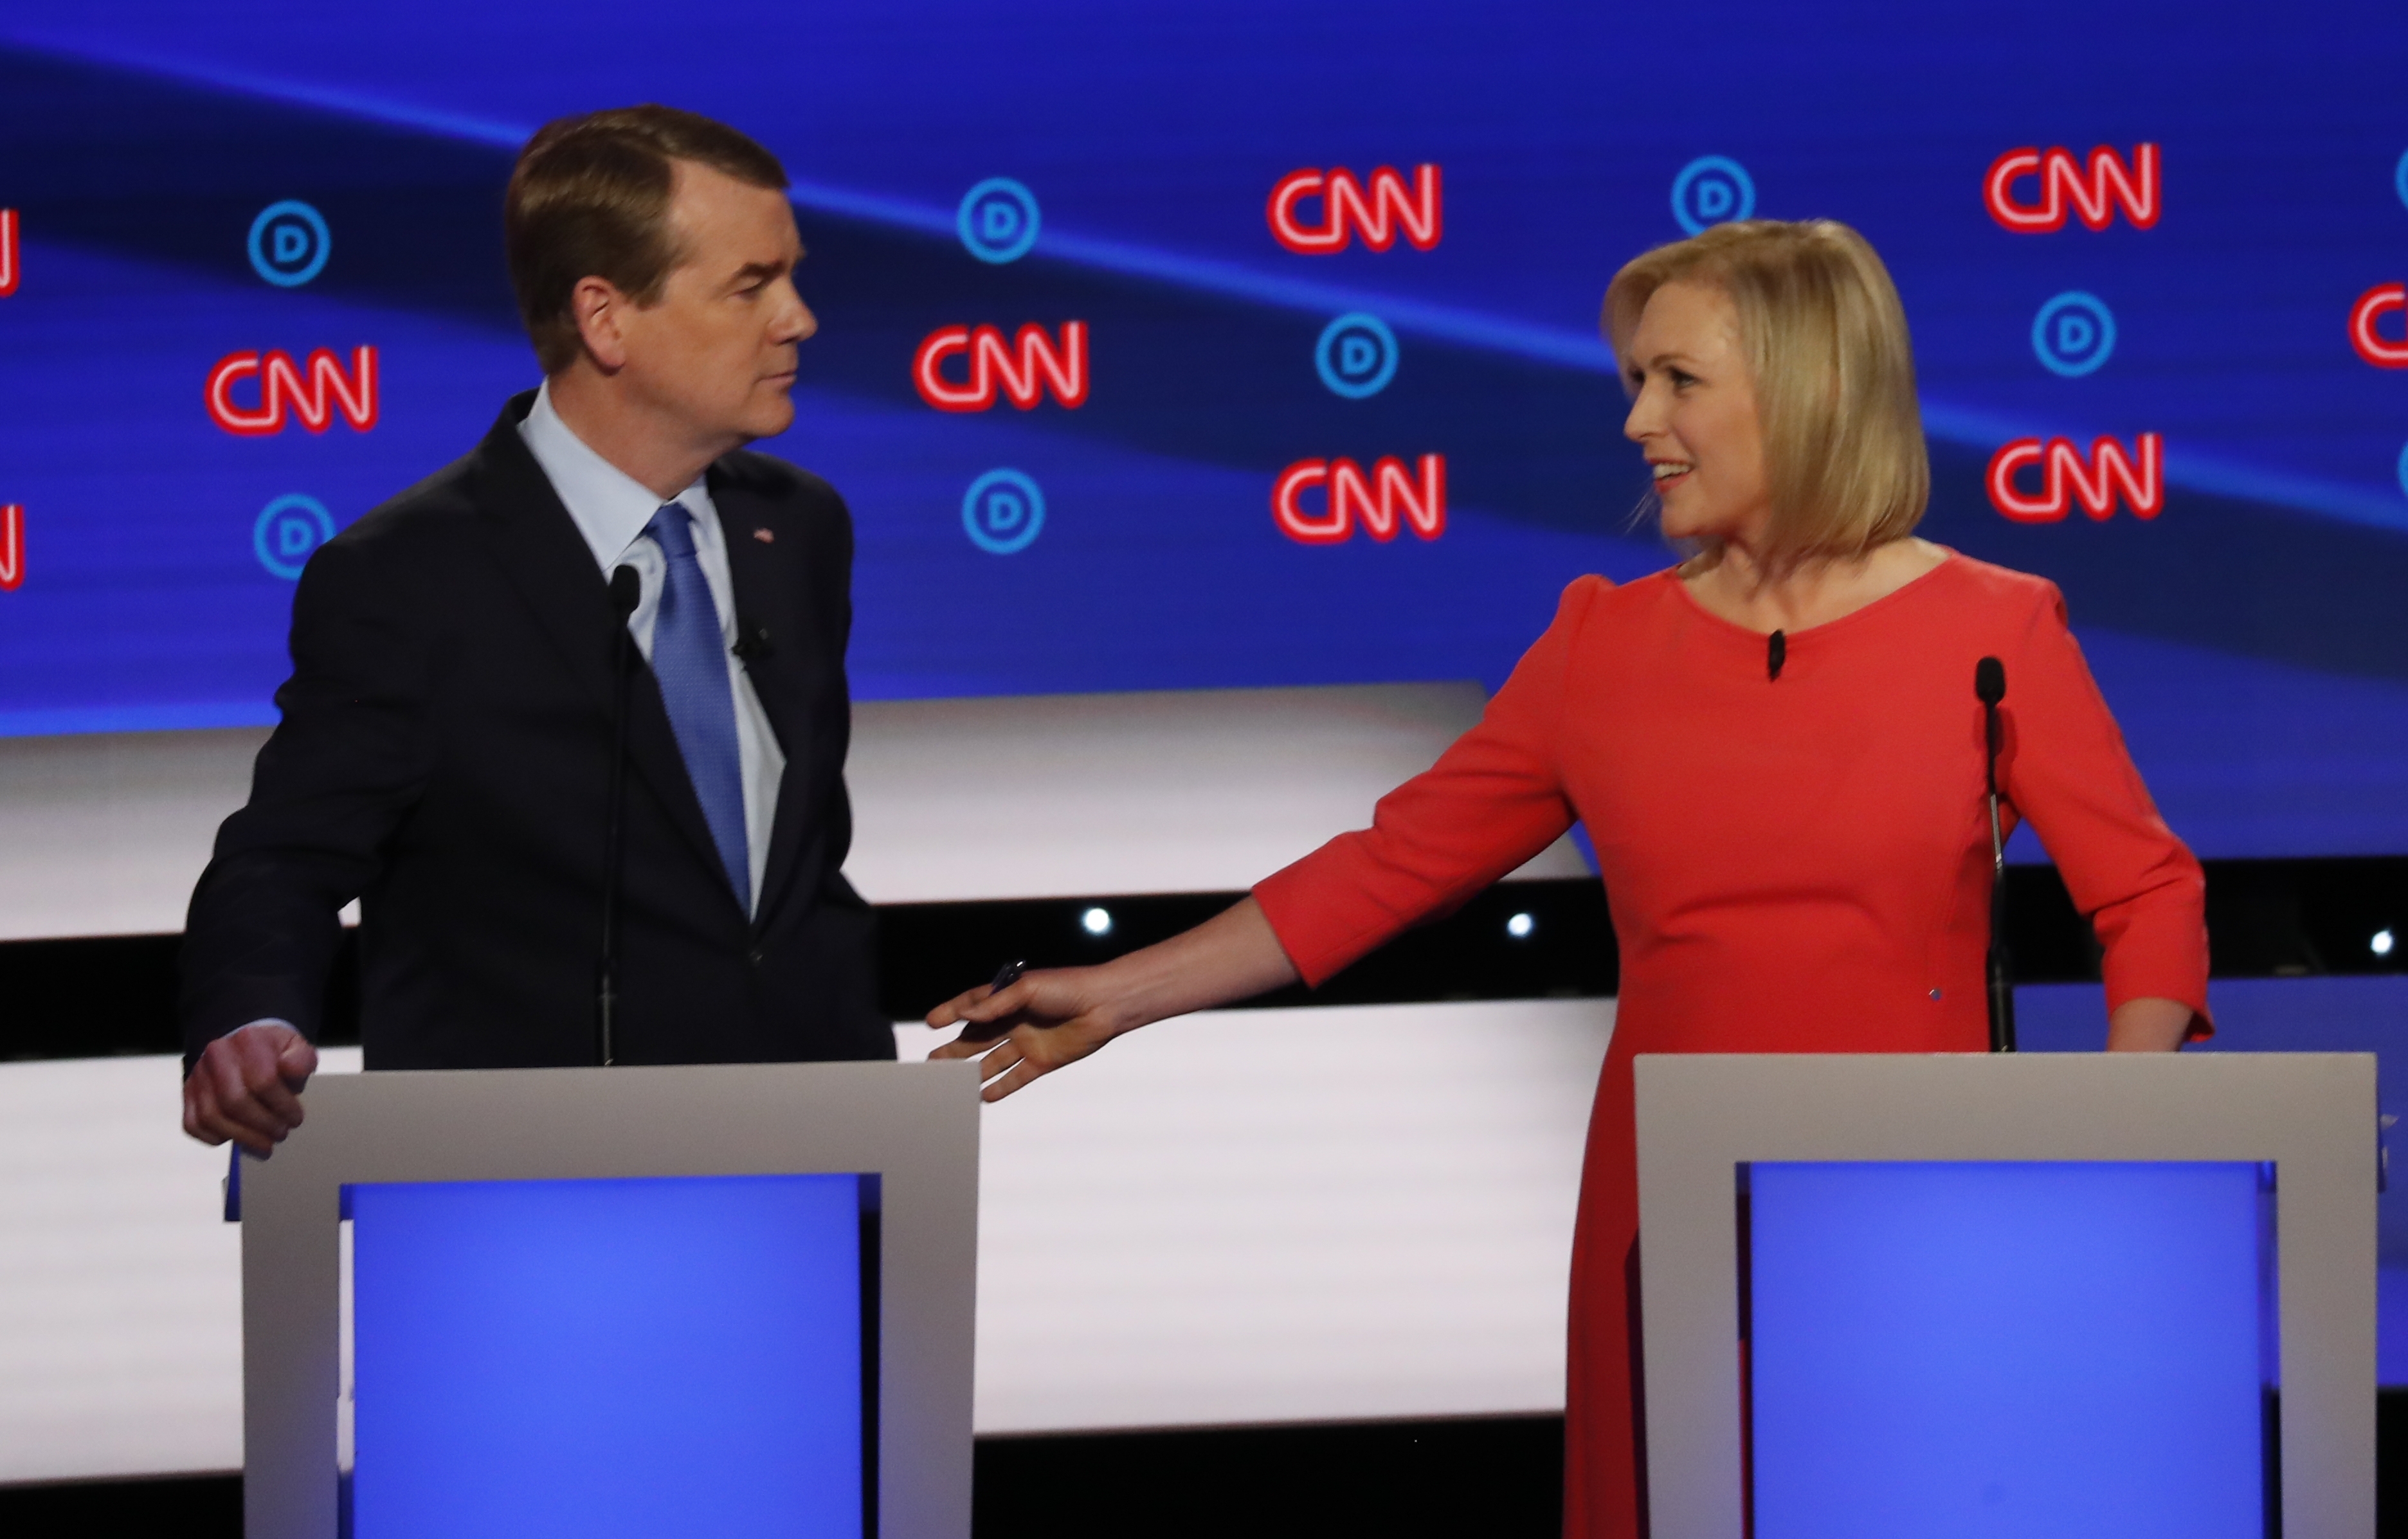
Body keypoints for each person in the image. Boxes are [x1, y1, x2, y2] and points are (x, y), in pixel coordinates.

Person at [925, 219, 2209, 1538]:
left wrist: (2101, 1139)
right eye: (1633, 384)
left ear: (1807, 385)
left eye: (1678, 381)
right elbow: (1389, 866)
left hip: (1917, 1201)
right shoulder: (1603, 642)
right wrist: (1122, 994)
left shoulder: (1993, 629)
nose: (1639, 421)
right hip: (1662, 1211)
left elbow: (2147, 895)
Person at [181, 106, 892, 1158]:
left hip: (821, 1154)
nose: (797, 318)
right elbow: (281, 857)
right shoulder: (405, 577)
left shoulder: (799, 525)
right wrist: (249, 1019)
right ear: (605, 319)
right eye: (752, 285)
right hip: (525, 1185)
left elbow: (786, 867)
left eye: (791, 276)